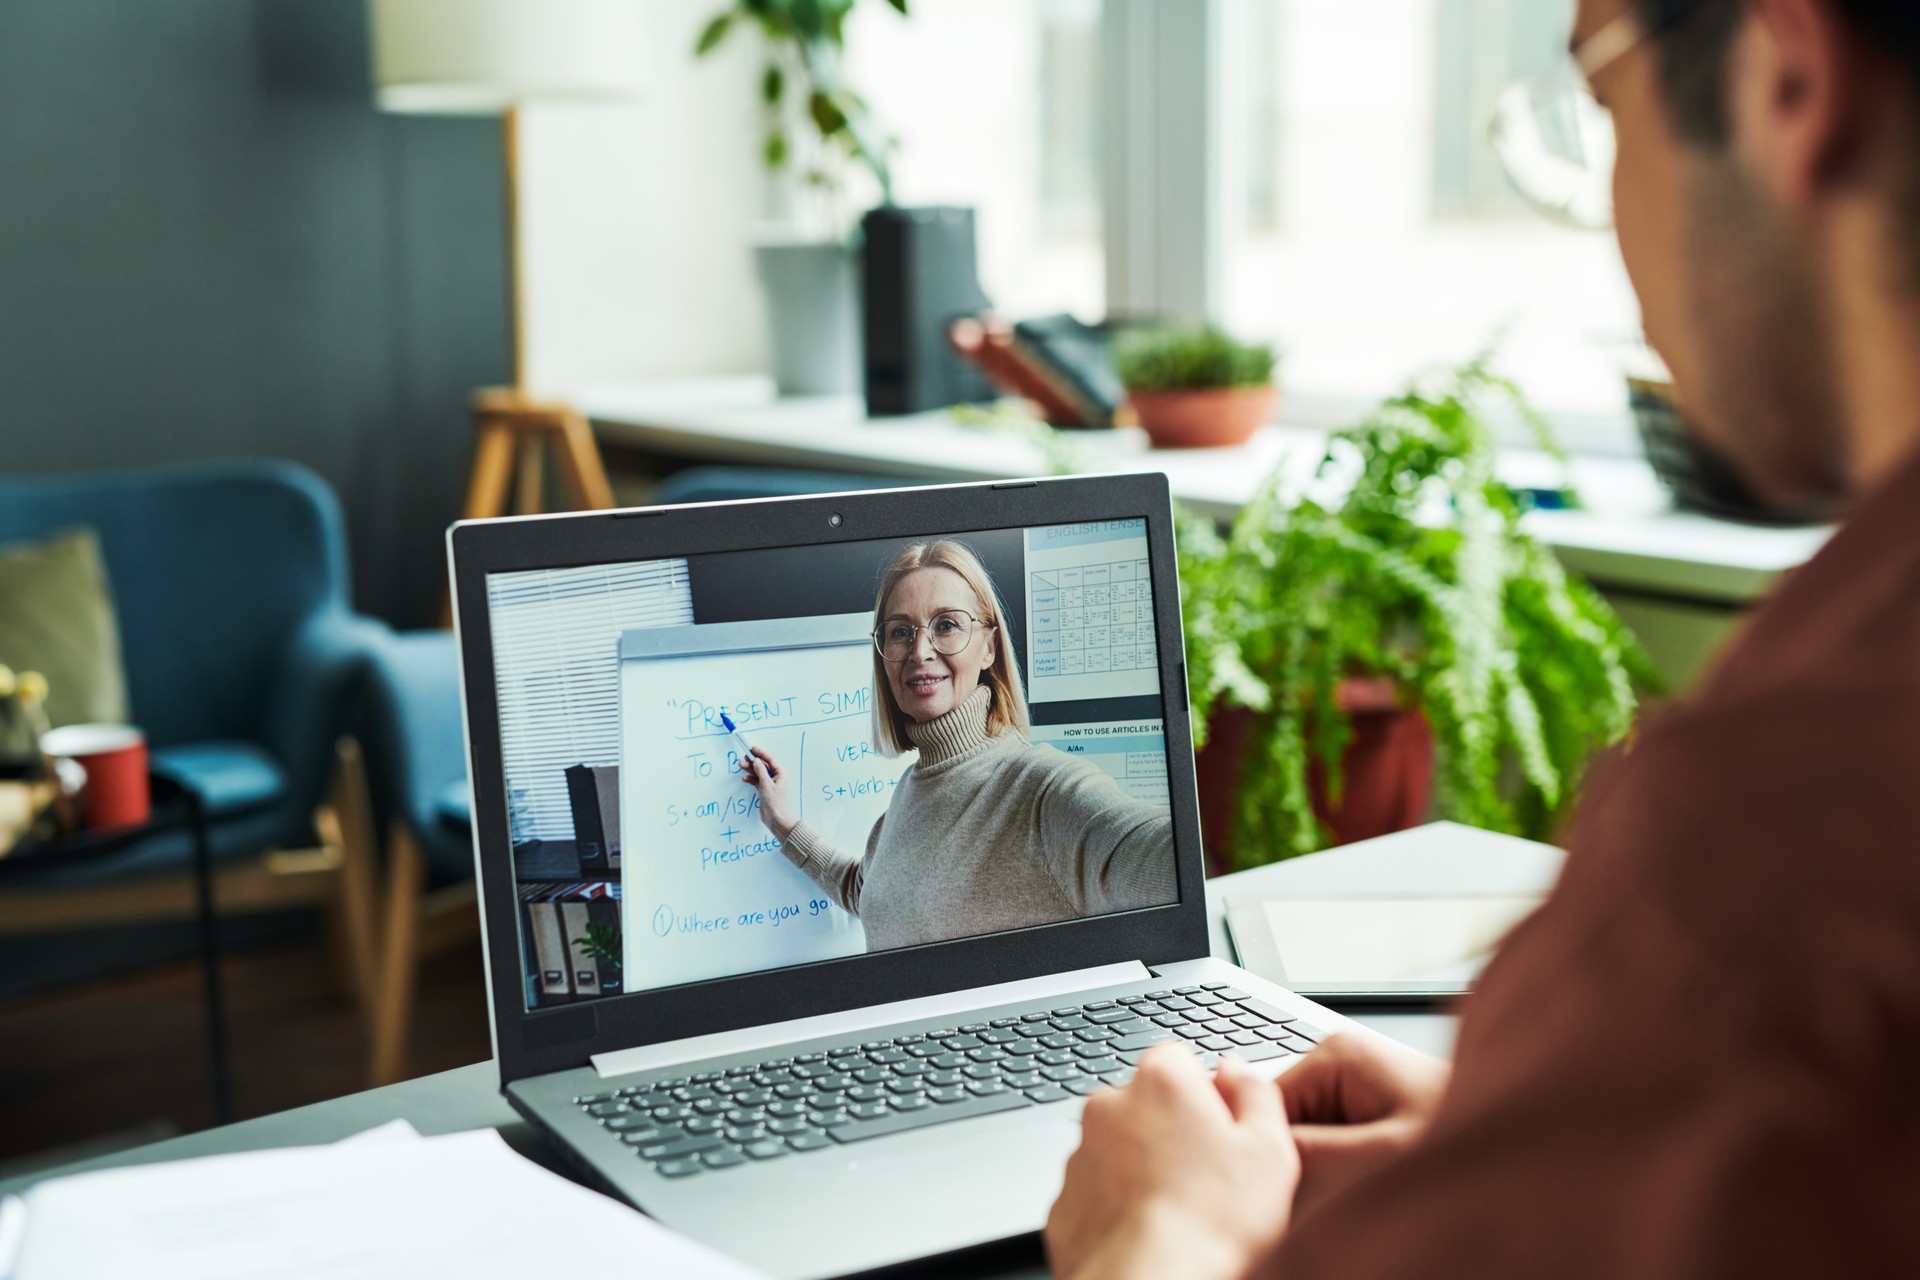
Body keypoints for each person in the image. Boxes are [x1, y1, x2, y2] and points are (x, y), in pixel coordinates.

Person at [1045, 0, 1920, 1275]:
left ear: (1792, 73)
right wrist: (1531, 1143)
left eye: (1602, 104)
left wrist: (1160, 1231)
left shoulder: (1777, 839)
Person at [738, 538, 1176, 950]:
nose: (920, 651)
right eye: (900, 632)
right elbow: (869, 892)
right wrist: (782, 823)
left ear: (989, 647)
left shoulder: (1045, 790)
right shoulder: (908, 794)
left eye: (946, 625)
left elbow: (1152, 853)